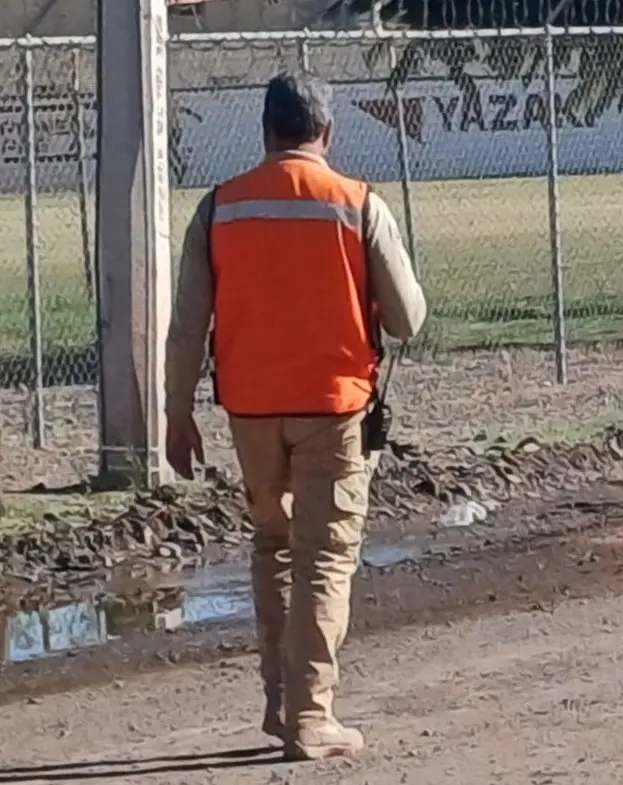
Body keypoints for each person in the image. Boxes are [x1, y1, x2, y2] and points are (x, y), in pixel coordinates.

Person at [164, 72, 427, 761]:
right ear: (327, 134)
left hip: (249, 408)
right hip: (333, 405)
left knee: (272, 546)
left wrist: (176, 414)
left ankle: (281, 705)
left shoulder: (220, 207)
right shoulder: (357, 204)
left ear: (265, 132)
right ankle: (312, 715)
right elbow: (408, 317)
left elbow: (187, 327)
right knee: (326, 556)